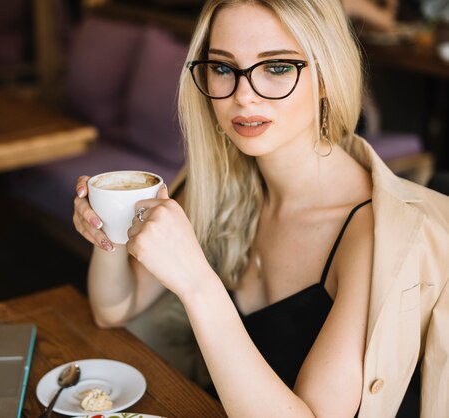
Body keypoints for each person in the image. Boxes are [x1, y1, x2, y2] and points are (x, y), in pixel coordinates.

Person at [72, 0, 449, 416]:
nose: (243, 96)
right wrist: (105, 229)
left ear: (325, 77)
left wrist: (198, 284)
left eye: (278, 68)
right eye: (222, 68)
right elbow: (112, 309)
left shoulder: (372, 235)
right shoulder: (220, 183)